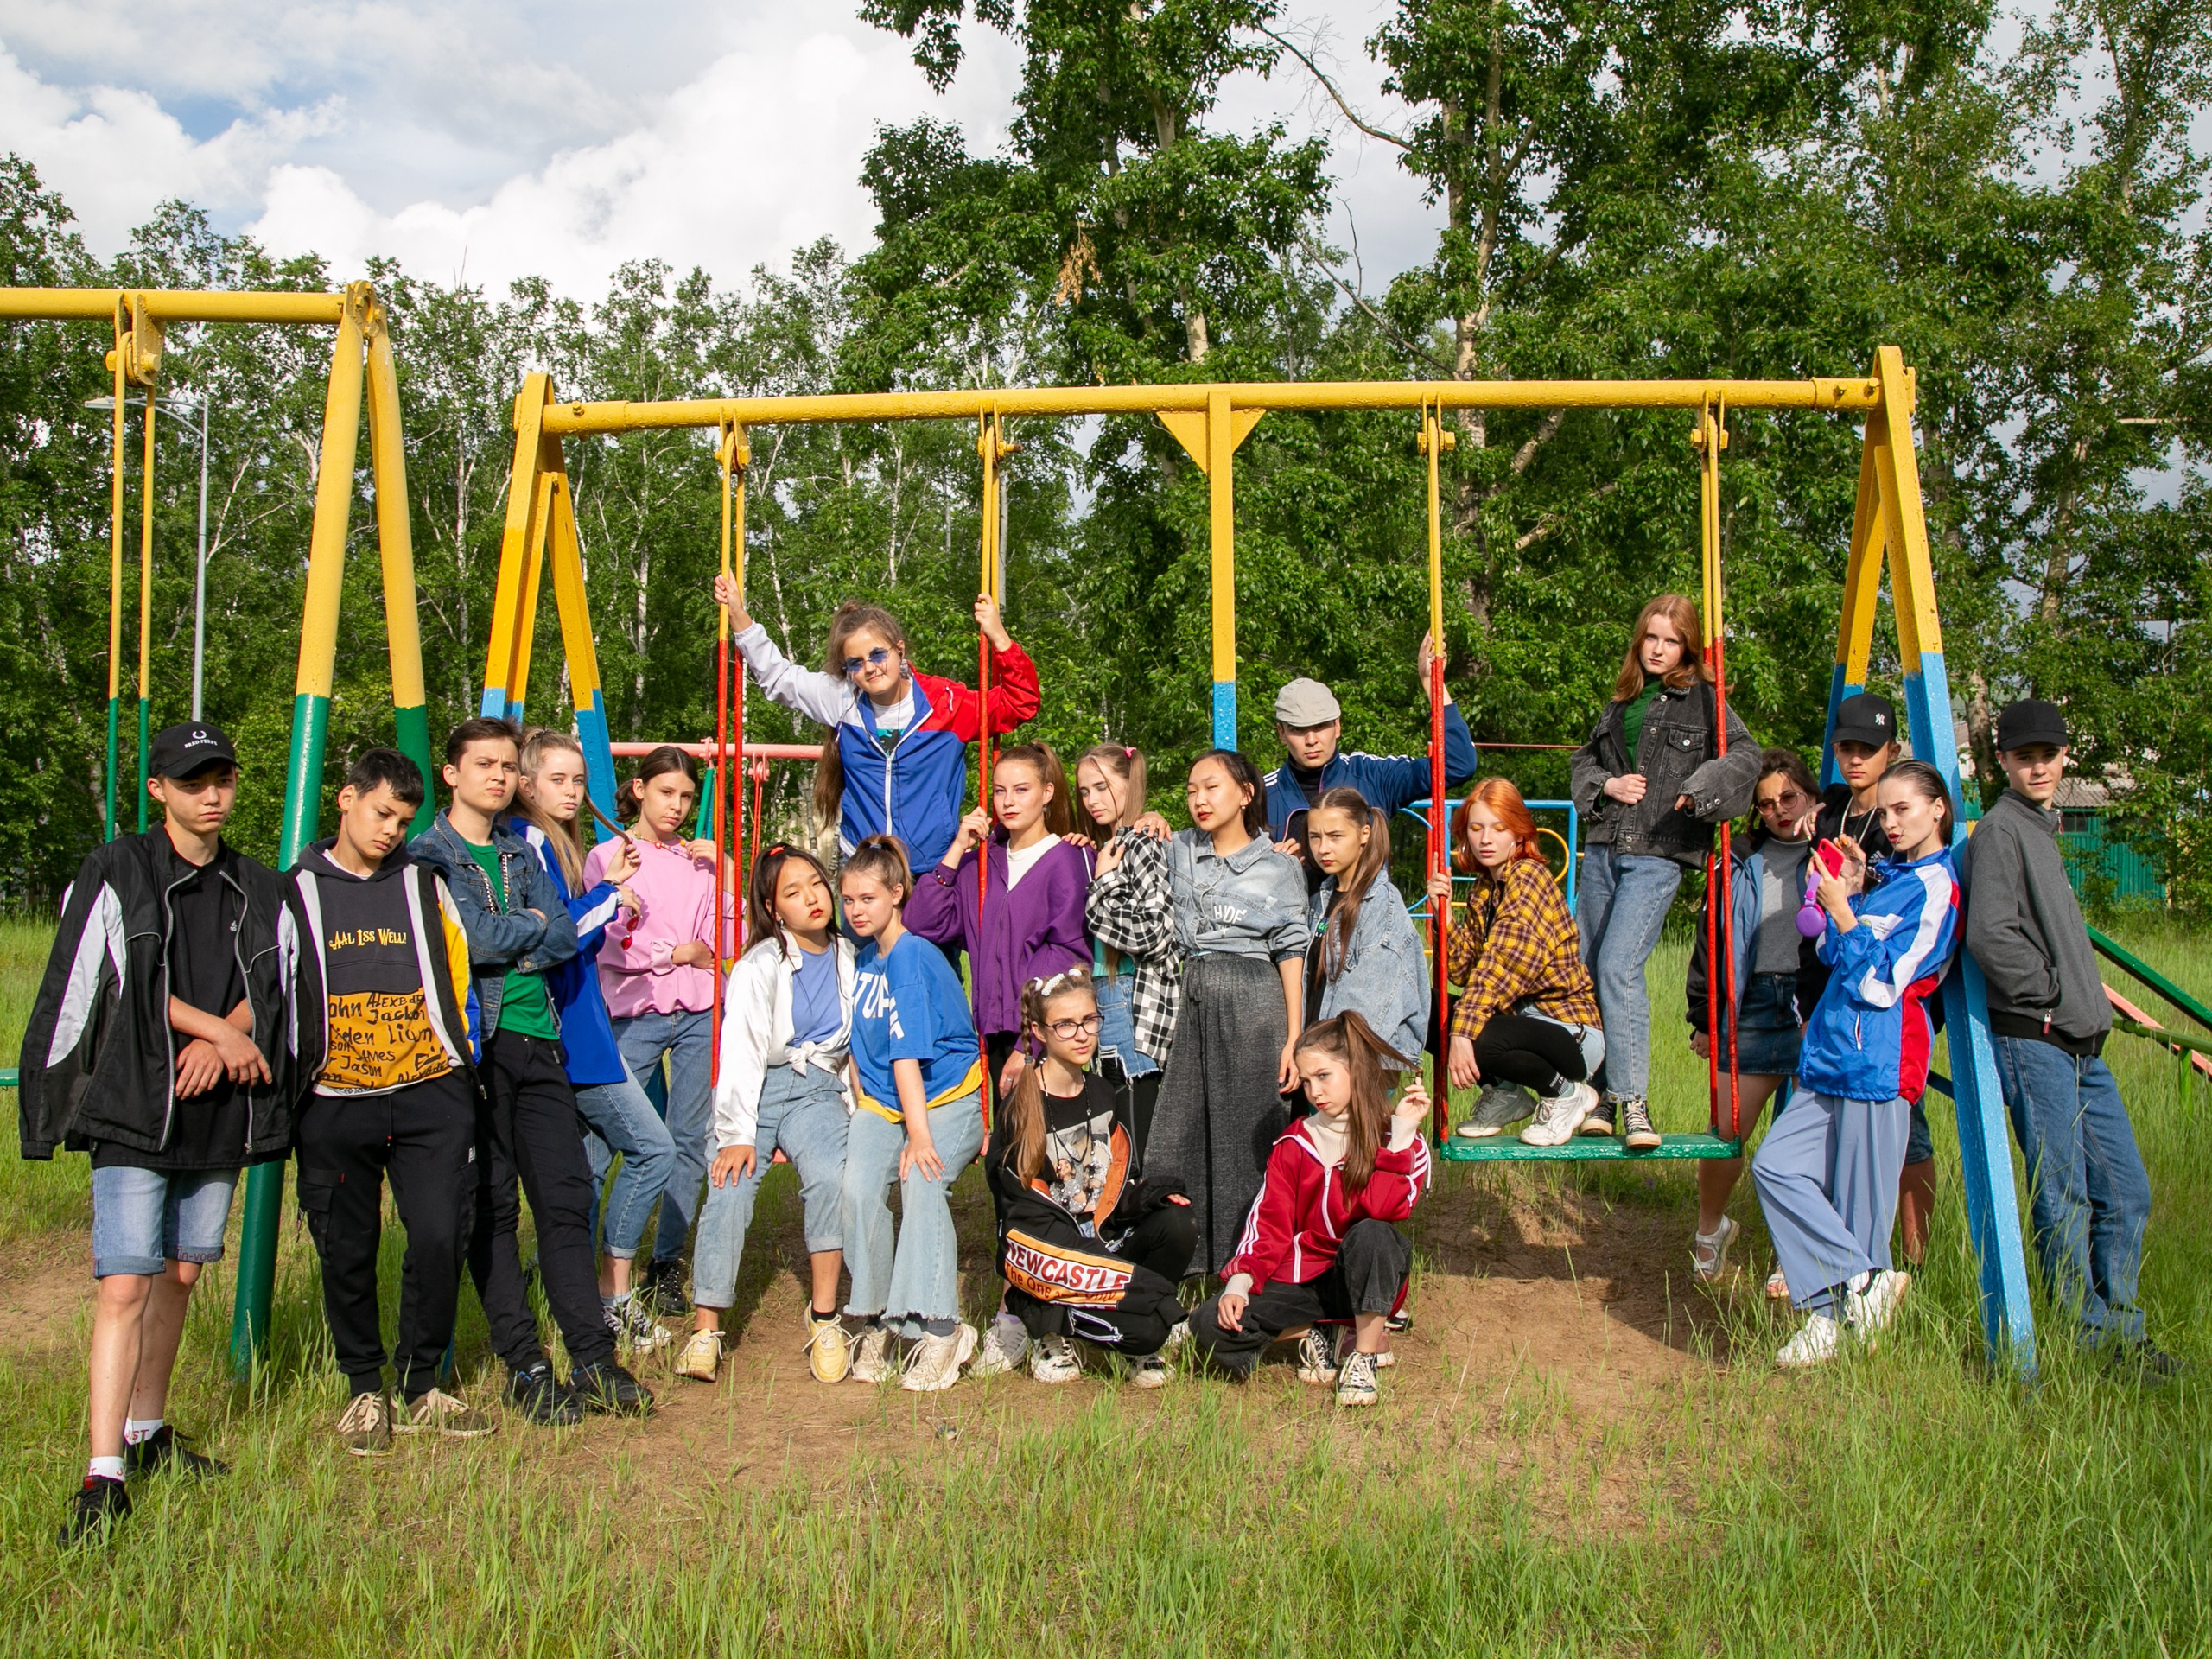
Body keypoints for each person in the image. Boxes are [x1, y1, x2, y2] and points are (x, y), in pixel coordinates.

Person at [22, 722, 293, 1546]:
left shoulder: (260, 885)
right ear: (159, 790)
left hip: (216, 1109)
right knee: (125, 1285)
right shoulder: (116, 868)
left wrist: (230, 1040)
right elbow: (112, 979)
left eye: (223, 780)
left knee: (179, 1274)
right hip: (138, 1103)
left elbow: (276, 979)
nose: (212, 795)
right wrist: (219, 1033)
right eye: (193, 780)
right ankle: (101, 1474)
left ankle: (147, 1432)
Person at [412, 717, 652, 1422]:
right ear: (451, 774)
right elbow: (482, 939)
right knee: (492, 1204)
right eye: (482, 764)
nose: (497, 775)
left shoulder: (521, 852)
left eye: (506, 765)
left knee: (565, 1197)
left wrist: (520, 941)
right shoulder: (431, 858)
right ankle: (524, 1362)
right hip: (477, 1048)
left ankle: (593, 1359)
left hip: (540, 1038)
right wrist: (530, 938)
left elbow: (557, 935)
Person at [285, 747, 495, 1454]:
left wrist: (460, 1063)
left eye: (403, 822)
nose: (389, 832)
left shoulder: (421, 881)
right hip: (335, 1097)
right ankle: (362, 1390)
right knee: (347, 1247)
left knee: (439, 1234)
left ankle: (422, 1380)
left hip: (430, 1091)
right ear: (346, 800)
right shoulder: (296, 891)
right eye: (380, 814)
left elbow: (459, 967)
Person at [1961, 700, 2178, 1377]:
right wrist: (2052, 993)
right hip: (2038, 1041)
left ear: (2063, 758)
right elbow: (1989, 933)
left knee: (2127, 1191)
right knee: (2064, 1193)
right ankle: (2088, 1338)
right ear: (2003, 762)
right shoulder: (2000, 831)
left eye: (2047, 755)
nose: (2038, 767)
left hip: (2083, 1046)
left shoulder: (2041, 828)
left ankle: (2120, 1331)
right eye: (2024, 757)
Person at [1751, 760, 1960, 1368]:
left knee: (1861, 1209)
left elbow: (1883, 983)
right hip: (1831, 1055)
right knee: (1776, 1168)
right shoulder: (1891, 880)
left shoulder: (1938, 887)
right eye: (1885, 812)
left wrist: (1845, 910)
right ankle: (1865, 1282)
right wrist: (1855, 891)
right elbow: (1832, 951)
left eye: (1904, 811)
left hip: (1880, 1064)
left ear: (1937, 810)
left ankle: (1829, 1321)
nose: (1890, 823)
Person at [508, 728, 677, 1353]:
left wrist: (611, 890)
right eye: (558, 780)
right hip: (572, 1036)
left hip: (583, 1026)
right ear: (527, 785)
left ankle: (568, 1288)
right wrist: (611, 896)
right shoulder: (528, 843)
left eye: (578, 780)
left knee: (580, 1174)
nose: (573, 792)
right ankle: (612, 1297)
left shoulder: (557, 844)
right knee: (653, 1150)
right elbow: (554, 936)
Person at [1568, 594, 1758, 1144]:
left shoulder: (1705, 699)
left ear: (1688, 645)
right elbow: (1583, 761)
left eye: (1670, 640)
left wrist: (1698, 791)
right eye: (1650, 638)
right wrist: (1607, 784)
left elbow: (1746, 757)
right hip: (1604, 848)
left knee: (1618, 965)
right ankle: (1599, 1094)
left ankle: (1633, 1103)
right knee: (1585, 965)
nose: (1657, 649)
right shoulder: (1620, 699)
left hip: (1658, 852)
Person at [713, 575, 1040, 873]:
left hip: (932, 867)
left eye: (878, 655)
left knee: (926, 942)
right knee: (863, 941)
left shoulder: (947, 703)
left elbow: (1019, 701)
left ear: (899, 651)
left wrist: (999, 637)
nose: (870, 668)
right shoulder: (842, 700)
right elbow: (779, 676)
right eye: (855, 663)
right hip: (864, 868)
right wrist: (740, 616)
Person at [678, 844, 857, 1386]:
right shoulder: (761, 963)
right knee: (730, 1185)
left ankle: (825, 1317)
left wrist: (854, 1106)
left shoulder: (852, 956)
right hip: (759, 1087)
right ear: (774, 908)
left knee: (832, 1177)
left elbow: (853, 1052)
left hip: (818, 1089)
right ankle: (706, 1326)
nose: (812, 898)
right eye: (793, 892)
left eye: (817, 884)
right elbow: (741, 1053)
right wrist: (735, 1133)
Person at [1186, 1012, 1432, 1407]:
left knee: (1373, 1233)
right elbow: (1268, 1225)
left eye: (1323, 1076)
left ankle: (1362, 1357)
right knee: (1209, 1325)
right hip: (1303, 1279)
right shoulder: (1295, 1142)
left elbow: (1386, 1210)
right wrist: (1240, 1284)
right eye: (1305, 1080)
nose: (1314, 1091)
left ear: (1357, 1071)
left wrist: (1400, 1136)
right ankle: (1321, 1330)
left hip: (1365, 1273)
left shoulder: (1402, 1141)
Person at [983, 970, 1197, 1386]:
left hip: (1102, 1244)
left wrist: (1153, 1198)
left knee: (1178, 1223)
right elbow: (1020, 1221)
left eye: (1089, 1020)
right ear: (1040, 1032)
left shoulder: (1102, 1092)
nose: (1081, 1035)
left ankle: (1131, 1313)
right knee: (1152, 1328)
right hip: (1052, 1261)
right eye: (1065, 1024)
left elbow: (1110, 1190)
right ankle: (1050, 1330)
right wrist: (1141, 1289)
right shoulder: (1019, 1108)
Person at [582, 746, 732, 1313]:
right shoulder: (609, 856)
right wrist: (676, 954)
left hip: (696, 1012)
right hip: (632, 1011)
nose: (677, 806)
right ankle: (575, 1262)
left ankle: (665, 1264)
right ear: (640, 789)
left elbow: (733, 931)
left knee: (689, 1138)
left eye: (687, 797)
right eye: (666, 792)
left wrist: (727, 869)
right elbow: (607, 935)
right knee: (600, 1137)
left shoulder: (701, 862)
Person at [1150, 750, 1311, 1276]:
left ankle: (1246, 1269)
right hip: (1188, 997)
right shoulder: (1177, 850)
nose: (1198, 799)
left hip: (1252, 1000)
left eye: (1211, 787)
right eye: (1191, 789)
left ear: (1245, 793)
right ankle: (1182, 1265)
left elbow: (1291, 951)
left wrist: (1294, 1038)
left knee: (1247, 1140)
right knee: (1179, 1131)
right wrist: (1145, 820)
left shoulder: (1279, 867)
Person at [838, 836, 988, 1390]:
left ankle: (942, 1331)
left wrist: (918, 1136)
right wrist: (867, 1108)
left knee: (922, 1181)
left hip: (944, 1098)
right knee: (855, 1190)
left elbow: (907, 1055)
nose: (856, 910)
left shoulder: (910, 955)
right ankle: (877, 1320)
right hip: (886, 1102)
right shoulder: (863, 954)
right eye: (849, 899)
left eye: (868, 899)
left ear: (897, 895)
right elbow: (864, 1045)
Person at [1684, 749, 1820, 1282]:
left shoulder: (1839, 848)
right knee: (1726, 1129)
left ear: (1810, 795)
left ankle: (1802, 1255)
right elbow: (1710, 936)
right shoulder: (1738, 856)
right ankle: (1710, 1229)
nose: (1779, 811)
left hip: (1816, 1003)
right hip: (1755, 1001)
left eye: (1788, 797)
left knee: (1814, 1138)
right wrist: (1703, 1014)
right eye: (1765, 804)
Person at [1809, 691, 1935, 1264]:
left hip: (1885, 992)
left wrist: (1852, 897)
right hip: (1835, 978)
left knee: (1906, 1130)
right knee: (1833, 1130)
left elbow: (1901, 908)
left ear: (1893, 751)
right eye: (1846, 748)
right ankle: (1844, 1258)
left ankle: (1909, 1259)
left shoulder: (1898, 824)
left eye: (1869, 749)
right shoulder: (1834, 808)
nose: (1856, 759)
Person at [906, 741, 1093, 1096]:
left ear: (1047, 792)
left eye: (1022, 790)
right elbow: (921, 923)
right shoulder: (981, 865)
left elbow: (1070, 957)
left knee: (1038, 1143)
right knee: (1009, 1141)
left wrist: (1030, 1046)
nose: (1008, 802)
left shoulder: (1067, 860)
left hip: (1045, 1035)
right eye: (1000, 791)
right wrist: (958, 847)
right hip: (992, 1031)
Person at [1428, 779, 1608, 1146]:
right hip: (1519, 1028)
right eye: (1476, 829)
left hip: (1568, 1033)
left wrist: (1462, 1034)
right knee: (1424, 1008)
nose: (1486, 839)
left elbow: (1502, 967)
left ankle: (1565, 1094)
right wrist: (1443, 918)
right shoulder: (1484, 888)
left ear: (1519, 833)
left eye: (1499, 828)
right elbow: (1463, 972)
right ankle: (1505, 1091)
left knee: (1473, 1030)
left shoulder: (1529, 878)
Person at [1263, 639, 1478, 887]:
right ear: (1281, 733)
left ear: (1337, 726)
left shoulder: (1372, 775)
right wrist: (1269, 870)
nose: (1311, 740)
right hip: (1292, 924)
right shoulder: (1260, 795)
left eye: (1320, 726)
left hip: (1368, 923)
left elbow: (1457, 764)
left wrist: (1433, 683)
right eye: (1298, 730)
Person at [1077, 743, 1179, 1141]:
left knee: (1134, 1133)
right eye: (1085, 791)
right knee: (1120, 1130)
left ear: (1129, 780)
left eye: (1102, 787)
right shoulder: (1111, 843)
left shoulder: (1141, 841)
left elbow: (1155, 932)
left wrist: (1102, 886)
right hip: (1109, 995)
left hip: (1134, 998)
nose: (1092, 800)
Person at [1305, 786, 1429, 1066]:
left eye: (1336, 836)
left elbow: (1367, 1004)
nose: (1323, 848)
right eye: (1315, 837)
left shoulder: (1381, 906)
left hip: (1357, 1065)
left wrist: (1331, 1059)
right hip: (1319, 1060)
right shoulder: (1318, 901)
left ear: (1364, 835)